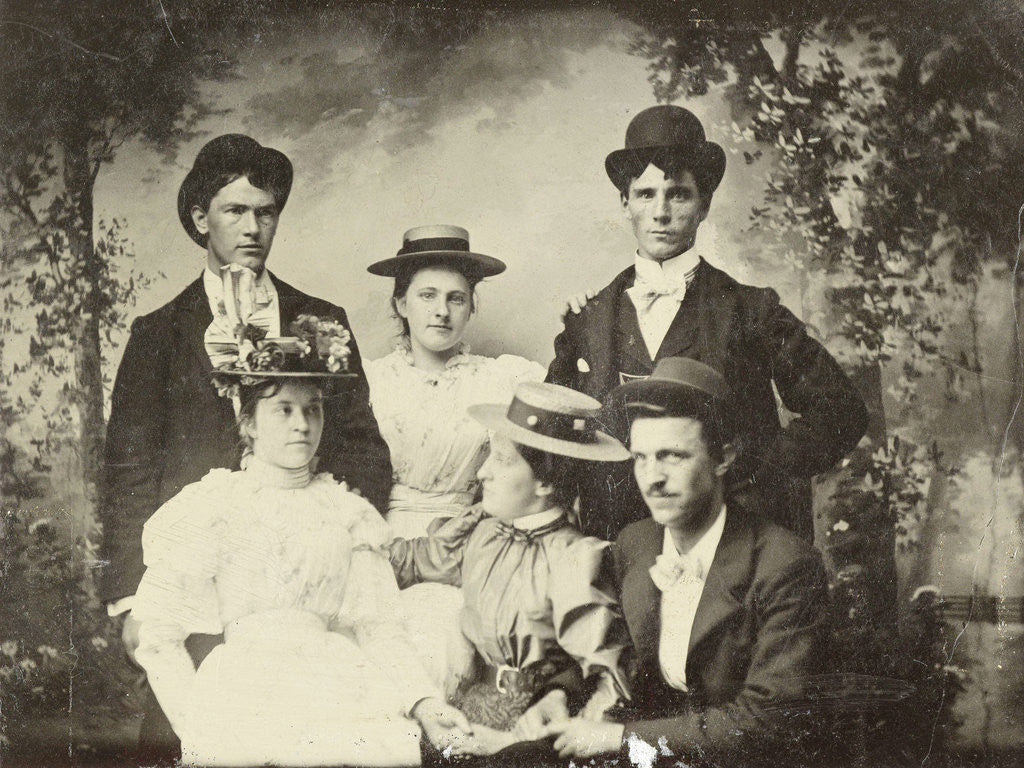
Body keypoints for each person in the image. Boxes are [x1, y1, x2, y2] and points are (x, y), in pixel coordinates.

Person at [97, 134, 392, 758]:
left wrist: (328, 541)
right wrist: (133, 597)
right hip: (199, 582)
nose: (253, 227)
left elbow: (365, 451)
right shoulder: (157, 334)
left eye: (266, 212)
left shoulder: (323, 321)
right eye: (235, 211)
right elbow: (127, 472)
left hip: (300, 586)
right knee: (187, 740)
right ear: (201, 219)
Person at [130, 316, 468, 766]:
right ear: (248, 422)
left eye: (313, 409)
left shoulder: (347, 514)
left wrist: (424, 704)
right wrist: (198, 727)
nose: (302, 424)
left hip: (337, 683)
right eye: (283, 410)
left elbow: (379, 628)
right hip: (245, 689)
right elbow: (157, 637)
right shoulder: (216, 505)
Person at [547, 105, 868, 542]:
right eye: (645, 195)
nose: (660, 212)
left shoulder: (752, 310)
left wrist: (757, 474)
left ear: (704, 205)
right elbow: (555, 439)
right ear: (624, 203)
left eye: (678, 194)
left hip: (732, 541)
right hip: (616, 545)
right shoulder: (589, 319)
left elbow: (841, 410)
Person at [545, 357, 829, 766]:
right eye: (641, 457)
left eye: (672, 456)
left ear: (723, 458)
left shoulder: (785, 565)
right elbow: (613, 648)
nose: (652, 478)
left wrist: (621, 739)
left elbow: (768, 722)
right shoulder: (636, 543)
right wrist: (558, 692)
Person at [388, 382, 633, 758]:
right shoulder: (482, 532)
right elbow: (413, 562)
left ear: (546, 482)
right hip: (466, 705)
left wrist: (532, 742)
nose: (481, 473)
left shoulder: (576, 558)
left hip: (534, 725)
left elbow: (608, 679)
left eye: (501, 460)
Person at [364, 224, 545, 539]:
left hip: (471, 537)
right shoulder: (372, 379)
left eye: (456, 299)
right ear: (402, 304)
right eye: (427, 296)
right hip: (379, 535)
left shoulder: (503, 379)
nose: (442, 312)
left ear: (471, 307)